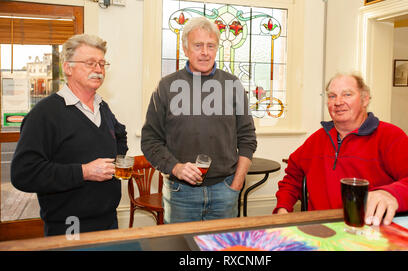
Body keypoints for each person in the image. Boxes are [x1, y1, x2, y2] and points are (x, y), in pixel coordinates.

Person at [274, 73, 408, 225]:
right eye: (332, 96)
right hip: (322, 232)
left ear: (365, 99)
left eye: (347, 94)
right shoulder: (317, 140)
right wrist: (283, 208)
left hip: (370, 231)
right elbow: (293, 176)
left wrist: (391, 194)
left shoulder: (389, 136)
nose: (338, 102)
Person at [141, 16, 257, 223]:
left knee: (222, 250)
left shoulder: (232, 85)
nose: (205, 52)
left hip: (225, 191)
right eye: (198, 45)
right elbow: (150, 141)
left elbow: (247, 139)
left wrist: (236, 184)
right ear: (185, 49)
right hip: (180, 193)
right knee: (180, 248)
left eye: (210, 46)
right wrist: (176, 167)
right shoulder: (166, 87)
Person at [11, 34, 128, 236]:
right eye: (90, 63)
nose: (98, 70)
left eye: (102, 64)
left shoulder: (103, 107)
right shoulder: (44, 114)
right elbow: (23, 173)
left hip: (109, 221)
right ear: (68, 68)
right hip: (69, 226)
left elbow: (120, 135)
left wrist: (116, 162)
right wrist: (84, 171)